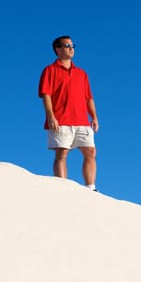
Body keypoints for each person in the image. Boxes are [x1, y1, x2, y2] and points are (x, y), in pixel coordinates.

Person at [38, 35, 99, 191]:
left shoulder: (81, 73)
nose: (71, 48)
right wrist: (51, 116)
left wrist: (94, 117)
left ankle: (91, 188)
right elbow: (46, 95)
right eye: (67, 45)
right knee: (62, 153)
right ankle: (62, 188)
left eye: (72, 45)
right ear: (58, 49)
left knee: (90, 151)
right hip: (61, 119)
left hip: (82, 120)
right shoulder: (49, 70)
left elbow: (88, 98)